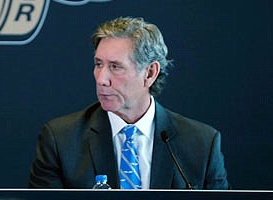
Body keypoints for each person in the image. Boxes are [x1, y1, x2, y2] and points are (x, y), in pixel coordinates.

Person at [28, 17, 229, 189]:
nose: (101, 79)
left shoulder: (201, 144)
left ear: (150, 73)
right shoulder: (61, 140)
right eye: (99, 64)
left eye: (115, 67)